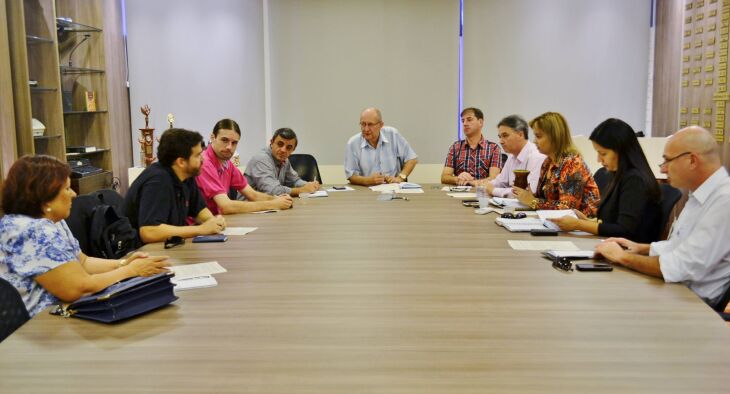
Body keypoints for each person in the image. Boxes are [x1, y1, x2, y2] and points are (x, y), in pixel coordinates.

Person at [0, 155, 170, 317]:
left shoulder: (51, 220)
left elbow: (83, 262)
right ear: (45, 199)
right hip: (42, 327)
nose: (74, 194)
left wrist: (123, 263)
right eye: (66, 188)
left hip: (59, 316)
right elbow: (77, 288)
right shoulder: (32, 231)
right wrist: (131, 270)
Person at [596, 126, 730, 306]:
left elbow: (680, 266)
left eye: (667, 160)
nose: (663, 169)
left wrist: (622, 257)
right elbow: (679, 246)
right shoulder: (700, 194)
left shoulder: (724, 201)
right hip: (676, 292)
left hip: (692, 306)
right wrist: (642, 248)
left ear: (692, 160)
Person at [550, 118, 662, 243]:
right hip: (612, 245)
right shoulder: (618, 175)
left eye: (603, 154)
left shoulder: (635, 180)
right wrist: (586, 221)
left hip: (629, 251)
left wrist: (578, 225)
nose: (599, 160)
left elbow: (624, 230)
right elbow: (611, 221)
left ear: (621, 151)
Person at [124, 128, 227, 244]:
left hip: (165, 248)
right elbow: (149, 232)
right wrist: (200, 229)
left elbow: (199, 210)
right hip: (138, 252)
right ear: (181, 162)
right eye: (198, 155)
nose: (203, 159)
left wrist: (213, 221)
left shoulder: (186, 176)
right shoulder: (158, 181)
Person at [196, 119, 293, 214]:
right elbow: (225, 206)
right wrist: (273, 204)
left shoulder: (227, 163)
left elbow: (252, 194)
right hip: (199, 225)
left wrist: (277, 199)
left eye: (234, 143)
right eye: (224, 140)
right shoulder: (204, 163)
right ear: (213, 138)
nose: (229, 147)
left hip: (217, 221)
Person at [513, 111, 600, 217]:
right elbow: (544, 200)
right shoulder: (547, 162)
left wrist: (533, 202)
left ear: (555, 137)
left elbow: (568, 209)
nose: (535, 141)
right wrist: (529, 196)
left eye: (538, 136)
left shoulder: (572, 164)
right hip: (556, 223)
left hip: (581, 228)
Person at [344, 107, 418, 186]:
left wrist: (400, 178)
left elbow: (412, 159)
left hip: (394, 189)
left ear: (381, 125)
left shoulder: (393, 135)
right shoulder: (353, 143)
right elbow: (351, 175)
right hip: (366, 192)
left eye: (370, 124)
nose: (366, 129)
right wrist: (367, 180)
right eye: (363, 124)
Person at [244, 127, 320, 197]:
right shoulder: (261, 159)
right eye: (280, 144)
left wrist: (309, 185)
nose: (283, 150)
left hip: (268, 205)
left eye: (289, 147)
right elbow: (273, 191)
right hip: (248, 208)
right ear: (272, 142)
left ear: (293, 150)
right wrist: (301, 190)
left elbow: (294, 181)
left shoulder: (285, 160)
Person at [441, 107, 503, 185]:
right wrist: (458, 178)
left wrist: (472, 183)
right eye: (463, 121)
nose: (465, 124)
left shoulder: (494, 148)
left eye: (469, 120)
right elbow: (444, 177)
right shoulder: (455, 147)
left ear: (480, 122)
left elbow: (494, 178)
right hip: (459, 193)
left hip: (483, 193)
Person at [486, 114, 545, 196]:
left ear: (520, 135)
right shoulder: (512, 156)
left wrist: (493, 191)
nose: (501, 141)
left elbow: (528, 193)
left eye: (505, 136)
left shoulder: (536, 155)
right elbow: (500, 181)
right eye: (500, 137)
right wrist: (485, 185)